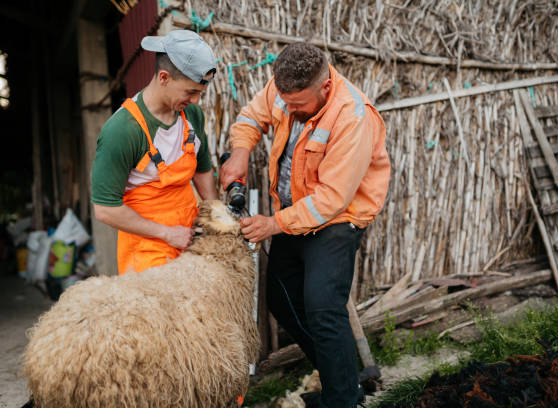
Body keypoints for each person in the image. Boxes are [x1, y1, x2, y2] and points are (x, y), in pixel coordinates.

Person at [221, 43, 390, 407]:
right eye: (286, 103)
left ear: (325, 88)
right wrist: (240, 151)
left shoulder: (353, 117)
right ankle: (342, 377)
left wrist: (272, 224)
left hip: (337, 219)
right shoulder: (283, 89)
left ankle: (342, 399)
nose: (290, 111)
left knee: (322, 306)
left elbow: (331, 200)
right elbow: (252, 117)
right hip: (293, 214)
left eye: (299, 105)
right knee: (282, 300)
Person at [91, 30, 218, 275]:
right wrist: (167, 234)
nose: (196, 101)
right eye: (190, 92)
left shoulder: (192, 116)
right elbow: (105, 209)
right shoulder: (122, 131)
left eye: (199, 93)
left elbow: (203, 171)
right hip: (147, 251)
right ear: (163, 78)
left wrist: (214, 216)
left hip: (190, 240)